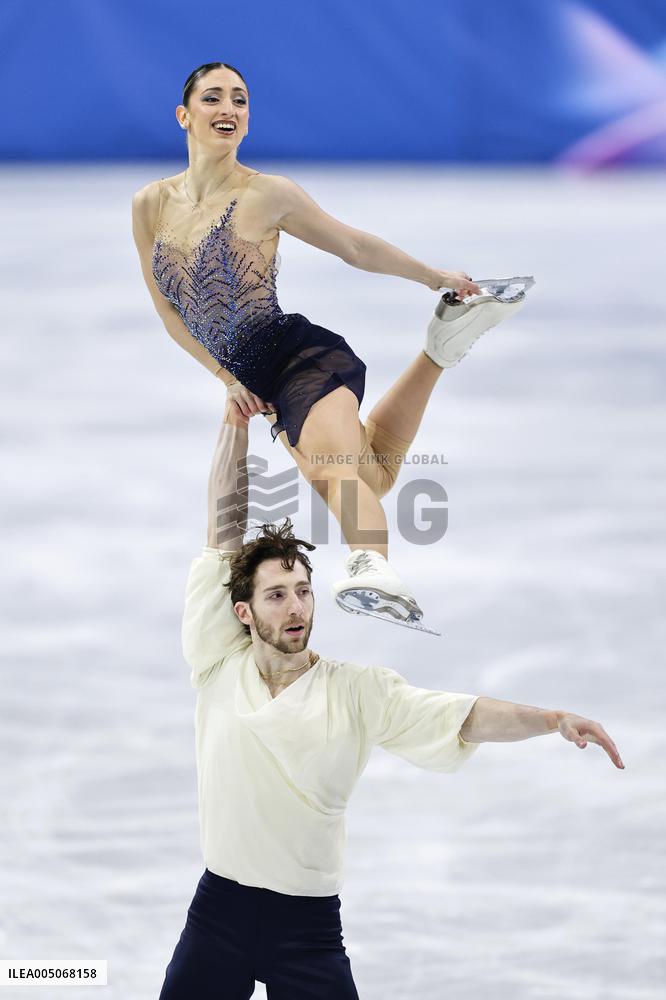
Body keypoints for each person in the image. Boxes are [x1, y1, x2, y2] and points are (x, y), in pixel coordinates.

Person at [156, 402, 624, 1000]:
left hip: (306, 927)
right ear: (242, 612)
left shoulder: (355, 691)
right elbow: (223, 529)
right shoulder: (218, 660)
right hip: (219, 911)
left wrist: (553, 720)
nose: (297, 607)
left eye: (303, 591)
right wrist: (235, 421)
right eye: (277, 595)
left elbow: (461, 715)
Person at [132, 60, 526, 629]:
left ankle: (371, 567)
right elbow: (169, 311)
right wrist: (228, 379)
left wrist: (433, 275)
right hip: (258, 381)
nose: (229, 110)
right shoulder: (149, 205)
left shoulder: (267, 194)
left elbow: (354, 247)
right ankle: (442, 345)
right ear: (183, 115)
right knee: (373, 477)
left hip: (301, 357)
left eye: (240, 100)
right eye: (213, 98)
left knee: (336, 471)